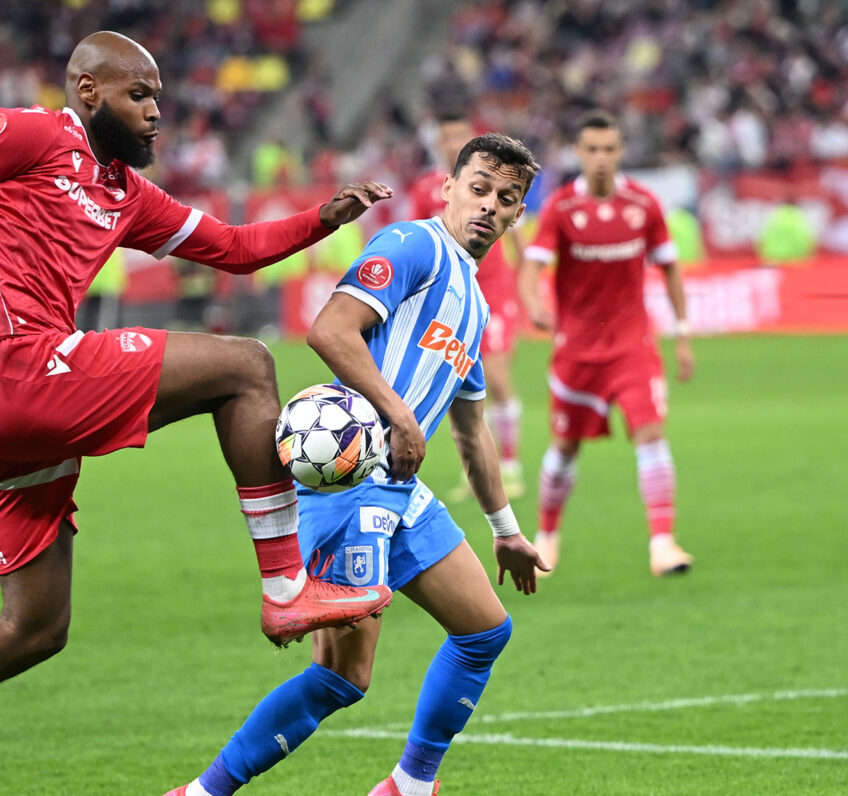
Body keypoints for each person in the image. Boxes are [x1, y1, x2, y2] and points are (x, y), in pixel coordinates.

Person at [0, 31, 393, 794]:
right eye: (139, 95)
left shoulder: (125, 193)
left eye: (158, 98)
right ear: (88, 91)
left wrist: (324, 218)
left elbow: (235, 247)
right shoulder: (32, 134)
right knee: (248, 367)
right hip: (11, 366)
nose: (155, 112)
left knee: (34, 626)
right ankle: (284, 588)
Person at [166, 133, 548, 796]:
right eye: (479, 188)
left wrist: (506, 529)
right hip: (349, 478)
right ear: (449, 188)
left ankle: (410, 785)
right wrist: (399, 415)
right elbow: (330, 330)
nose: (489, 205)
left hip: (401, 489)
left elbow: (472, 429)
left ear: (517, 215)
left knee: (485, 631)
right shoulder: (414, 245)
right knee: (342, 677)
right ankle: (202, 793)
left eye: (506, 198)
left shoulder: (476, 304)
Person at [517, 110, 695, 577]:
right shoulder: (560, 208)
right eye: (592, 149)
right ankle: (547, 536)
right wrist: (533, 303)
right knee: (565, 446)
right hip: (577, 351)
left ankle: (663, 543)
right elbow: (532, 267)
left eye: (609, 149)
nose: (601, 158)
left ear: (621, 152)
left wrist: (682, 334)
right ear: (578, 152)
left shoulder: (644, 204)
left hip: (634, 346)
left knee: (651, 435)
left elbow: (670, 268)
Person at [409, 111, 527, 499]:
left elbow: (521, 242)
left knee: (496, 379)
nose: (451, 144)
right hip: (450, 296)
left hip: (493, 292)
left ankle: (511, 465)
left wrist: (525, 289)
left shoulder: (497, 183)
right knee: (456, 386)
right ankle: (473, 471)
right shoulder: (428, 188)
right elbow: (418, 239)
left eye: (459, 136)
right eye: (445, 137)